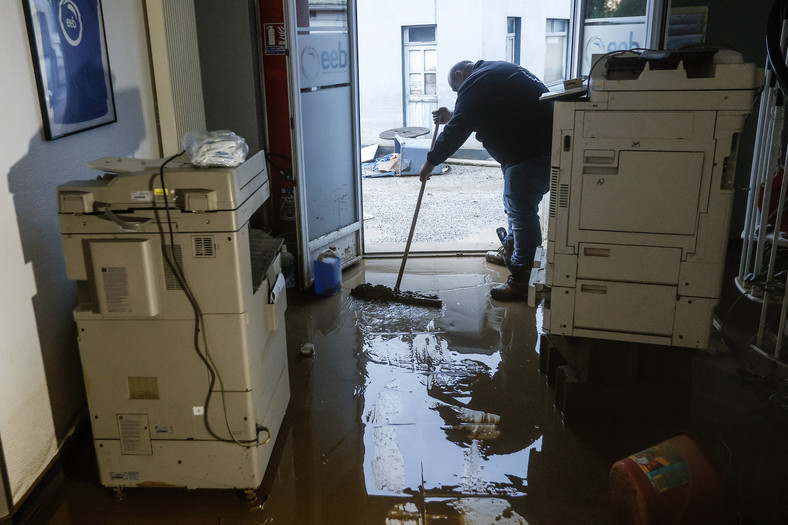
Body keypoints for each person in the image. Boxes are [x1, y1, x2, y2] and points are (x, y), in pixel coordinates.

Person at [419, 60, 554, 301]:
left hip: (531, 152)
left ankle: (523, 279)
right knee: (515, 207)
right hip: (535, 148)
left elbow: (458, 130)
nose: (459, 94)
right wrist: (453, 115)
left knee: (522, 211)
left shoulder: (476, 81)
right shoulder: (494, 71)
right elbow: (485, 110)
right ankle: (512, 254)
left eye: (456, 90)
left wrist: (430, 162)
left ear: (461, 74)